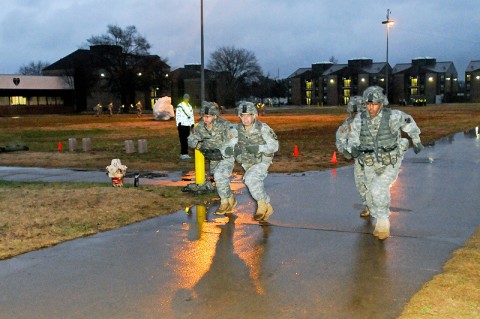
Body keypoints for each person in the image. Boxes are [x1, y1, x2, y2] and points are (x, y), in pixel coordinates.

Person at [347, 86, 424, 240]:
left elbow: (409, 122)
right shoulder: (360, 119)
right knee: (370, 194)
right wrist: (352, 149)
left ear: (381, 103)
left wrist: (416, 140)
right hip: (369, 161)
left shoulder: (393, 116)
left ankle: (383, 223)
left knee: (378, 188)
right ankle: (377, 218)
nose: (371, 108)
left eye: (374, 104)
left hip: (390, 160)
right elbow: (353, 136)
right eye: (368, 104)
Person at [188, 102, 237, 215]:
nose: (205, 118)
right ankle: (231, 199)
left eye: (208, 116)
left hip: (226, 156)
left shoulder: (223, 124)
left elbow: (233, 132)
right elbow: (191, 141)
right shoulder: (200, 127)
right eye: (204, 116)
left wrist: (228, 142)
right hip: (214, 157)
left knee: (219, 176)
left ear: (215, 116)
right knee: (219, 178)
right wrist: (200, 145)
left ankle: (224, 202)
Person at [234, 101, 279, 222]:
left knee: (250, 179)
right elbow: (230, 145)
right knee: (255, 183)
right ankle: (267, 207)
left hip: (261, 161)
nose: (245, 118)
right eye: (242, 115)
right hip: (247, 162)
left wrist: (259, 148)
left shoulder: (263, 128)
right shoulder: (237, 130)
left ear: (254, 115)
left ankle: (261, 204)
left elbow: (275, 146)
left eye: (248, 115)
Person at [336, 96, 369, 217]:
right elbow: (340, 136)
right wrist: (344, 150)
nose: (356, 113)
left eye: (358, 111)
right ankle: (368, 206)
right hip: (359, 159)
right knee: (360, 183)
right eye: (354, 111)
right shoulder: (349, 122)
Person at [176, 94, 195, 160]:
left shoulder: (190, 106)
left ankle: (185, 153)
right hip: (182, 125)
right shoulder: (180, 106)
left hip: (187, 125)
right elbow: (177, 116)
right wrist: (178, 124)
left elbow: (191, 116)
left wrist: (192, 125)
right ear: (184, 98)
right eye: (186, 98)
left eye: (188, 98)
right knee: (183, 140)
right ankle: (183, 153)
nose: (187, 99)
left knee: (186, 140)